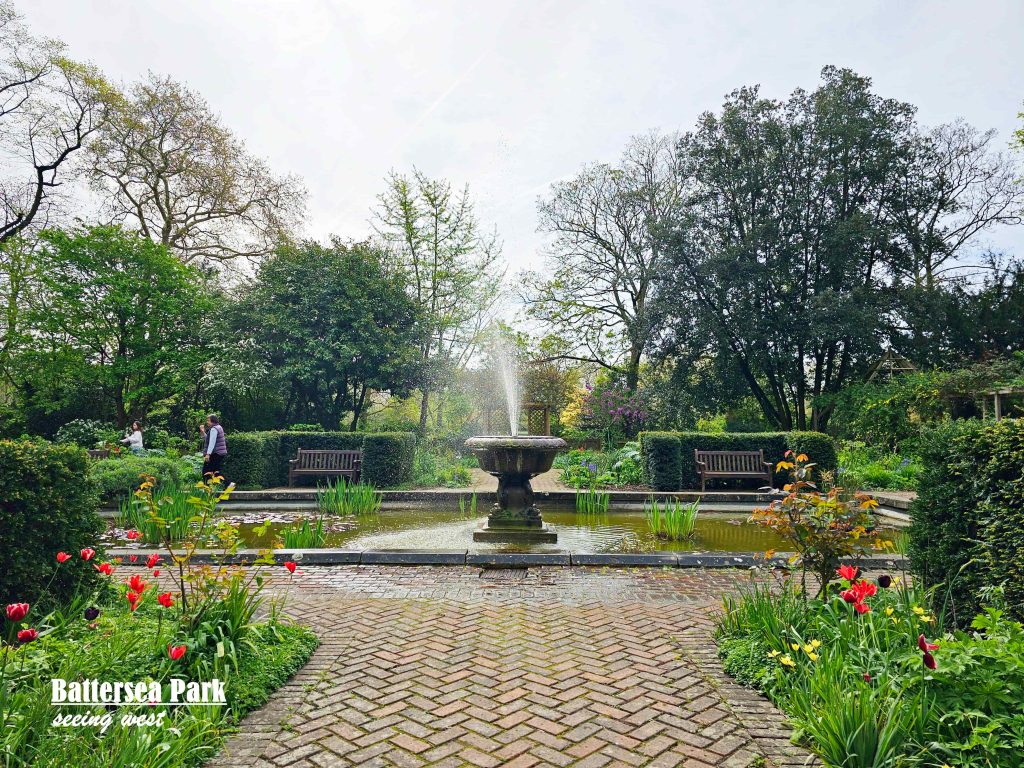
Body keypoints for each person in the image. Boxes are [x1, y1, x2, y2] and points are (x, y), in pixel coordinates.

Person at [201, 414, 228, 480]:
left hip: (216, 453)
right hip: (219, 453)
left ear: (213, 421)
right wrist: (203, 432)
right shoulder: (219, 427)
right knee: (216, 472)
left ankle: (207, 487)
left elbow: (211, 443)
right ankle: (228, 484)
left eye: (208, 420)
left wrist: (208, 454)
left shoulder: (214, 429)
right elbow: (209, 438)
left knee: (206, 471)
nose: (207, 422)